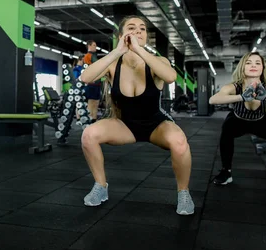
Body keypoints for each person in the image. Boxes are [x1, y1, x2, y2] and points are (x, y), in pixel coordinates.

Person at [79, 15, 194, 215]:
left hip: (156, 124)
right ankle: (100, 186)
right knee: (88, 135)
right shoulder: (113, 64)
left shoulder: (158, 61)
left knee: (180, 142)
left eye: (142, 28)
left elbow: (171, 77)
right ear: (122, 35)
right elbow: (86, 77)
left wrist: (139, 50)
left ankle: (183, 193)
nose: (138, 31)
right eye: (132, 27)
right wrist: (118, 51)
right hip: (125, 126)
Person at [208, 52, 266, 188]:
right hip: (238, 120)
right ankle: (226, 171)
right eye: (249, 62)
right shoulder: (235, 87)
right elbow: (213, 100)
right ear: (242, 67)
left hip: (259, 121)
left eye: (258, 63)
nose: (253, 66)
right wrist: (242, 97)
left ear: (262, 68)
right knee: (227, 128)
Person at [82, 40, 102, 123]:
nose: (95, 47)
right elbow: (98, 65)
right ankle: (89, 119)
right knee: (91, 102)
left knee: (96, 102)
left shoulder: (93, 56)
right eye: (94, 45)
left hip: (97, 83)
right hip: (91, 83)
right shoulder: (88, 56)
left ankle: (94, 119)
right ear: (89, 46)